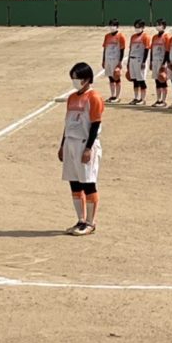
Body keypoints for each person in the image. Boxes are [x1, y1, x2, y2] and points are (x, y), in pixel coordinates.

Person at [57, 62, 104, 236]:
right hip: (70, 143)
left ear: (86, 79)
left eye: (77, 78)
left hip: (84, 143)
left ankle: (91, 222)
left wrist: (88, 148)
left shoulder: (94, 97)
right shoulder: (71, 98)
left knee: (88, 183)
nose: (74, 81)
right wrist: (62, 144)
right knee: (74, 183)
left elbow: (95, 124)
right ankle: (81, 220)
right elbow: (68, 123)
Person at [126, 20, 150, 105]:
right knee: (135, 80)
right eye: (135, 27)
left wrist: (144, 62)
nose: (137, 28)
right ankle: (136, 98)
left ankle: (142, 99)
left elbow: (146, 50)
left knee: (141, 80)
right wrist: (128, 62)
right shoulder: (133, 37)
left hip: (140, 60)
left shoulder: (145, 36)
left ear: (143, 27)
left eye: (138, 27)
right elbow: (130, 49)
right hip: (132, 59)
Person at [101, 19, 126, 103]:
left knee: (116, 77)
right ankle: (112, 95)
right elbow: (105, 49)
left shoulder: (121, 36)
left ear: (117, 26)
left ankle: (117, 97)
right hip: (108, 59)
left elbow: (122, 50)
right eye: (111, 25)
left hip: (115, 60)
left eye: (114, 25)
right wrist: (103, 60)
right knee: (110, 78)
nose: (112, 27)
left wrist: (120, 61)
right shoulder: (107, 36)